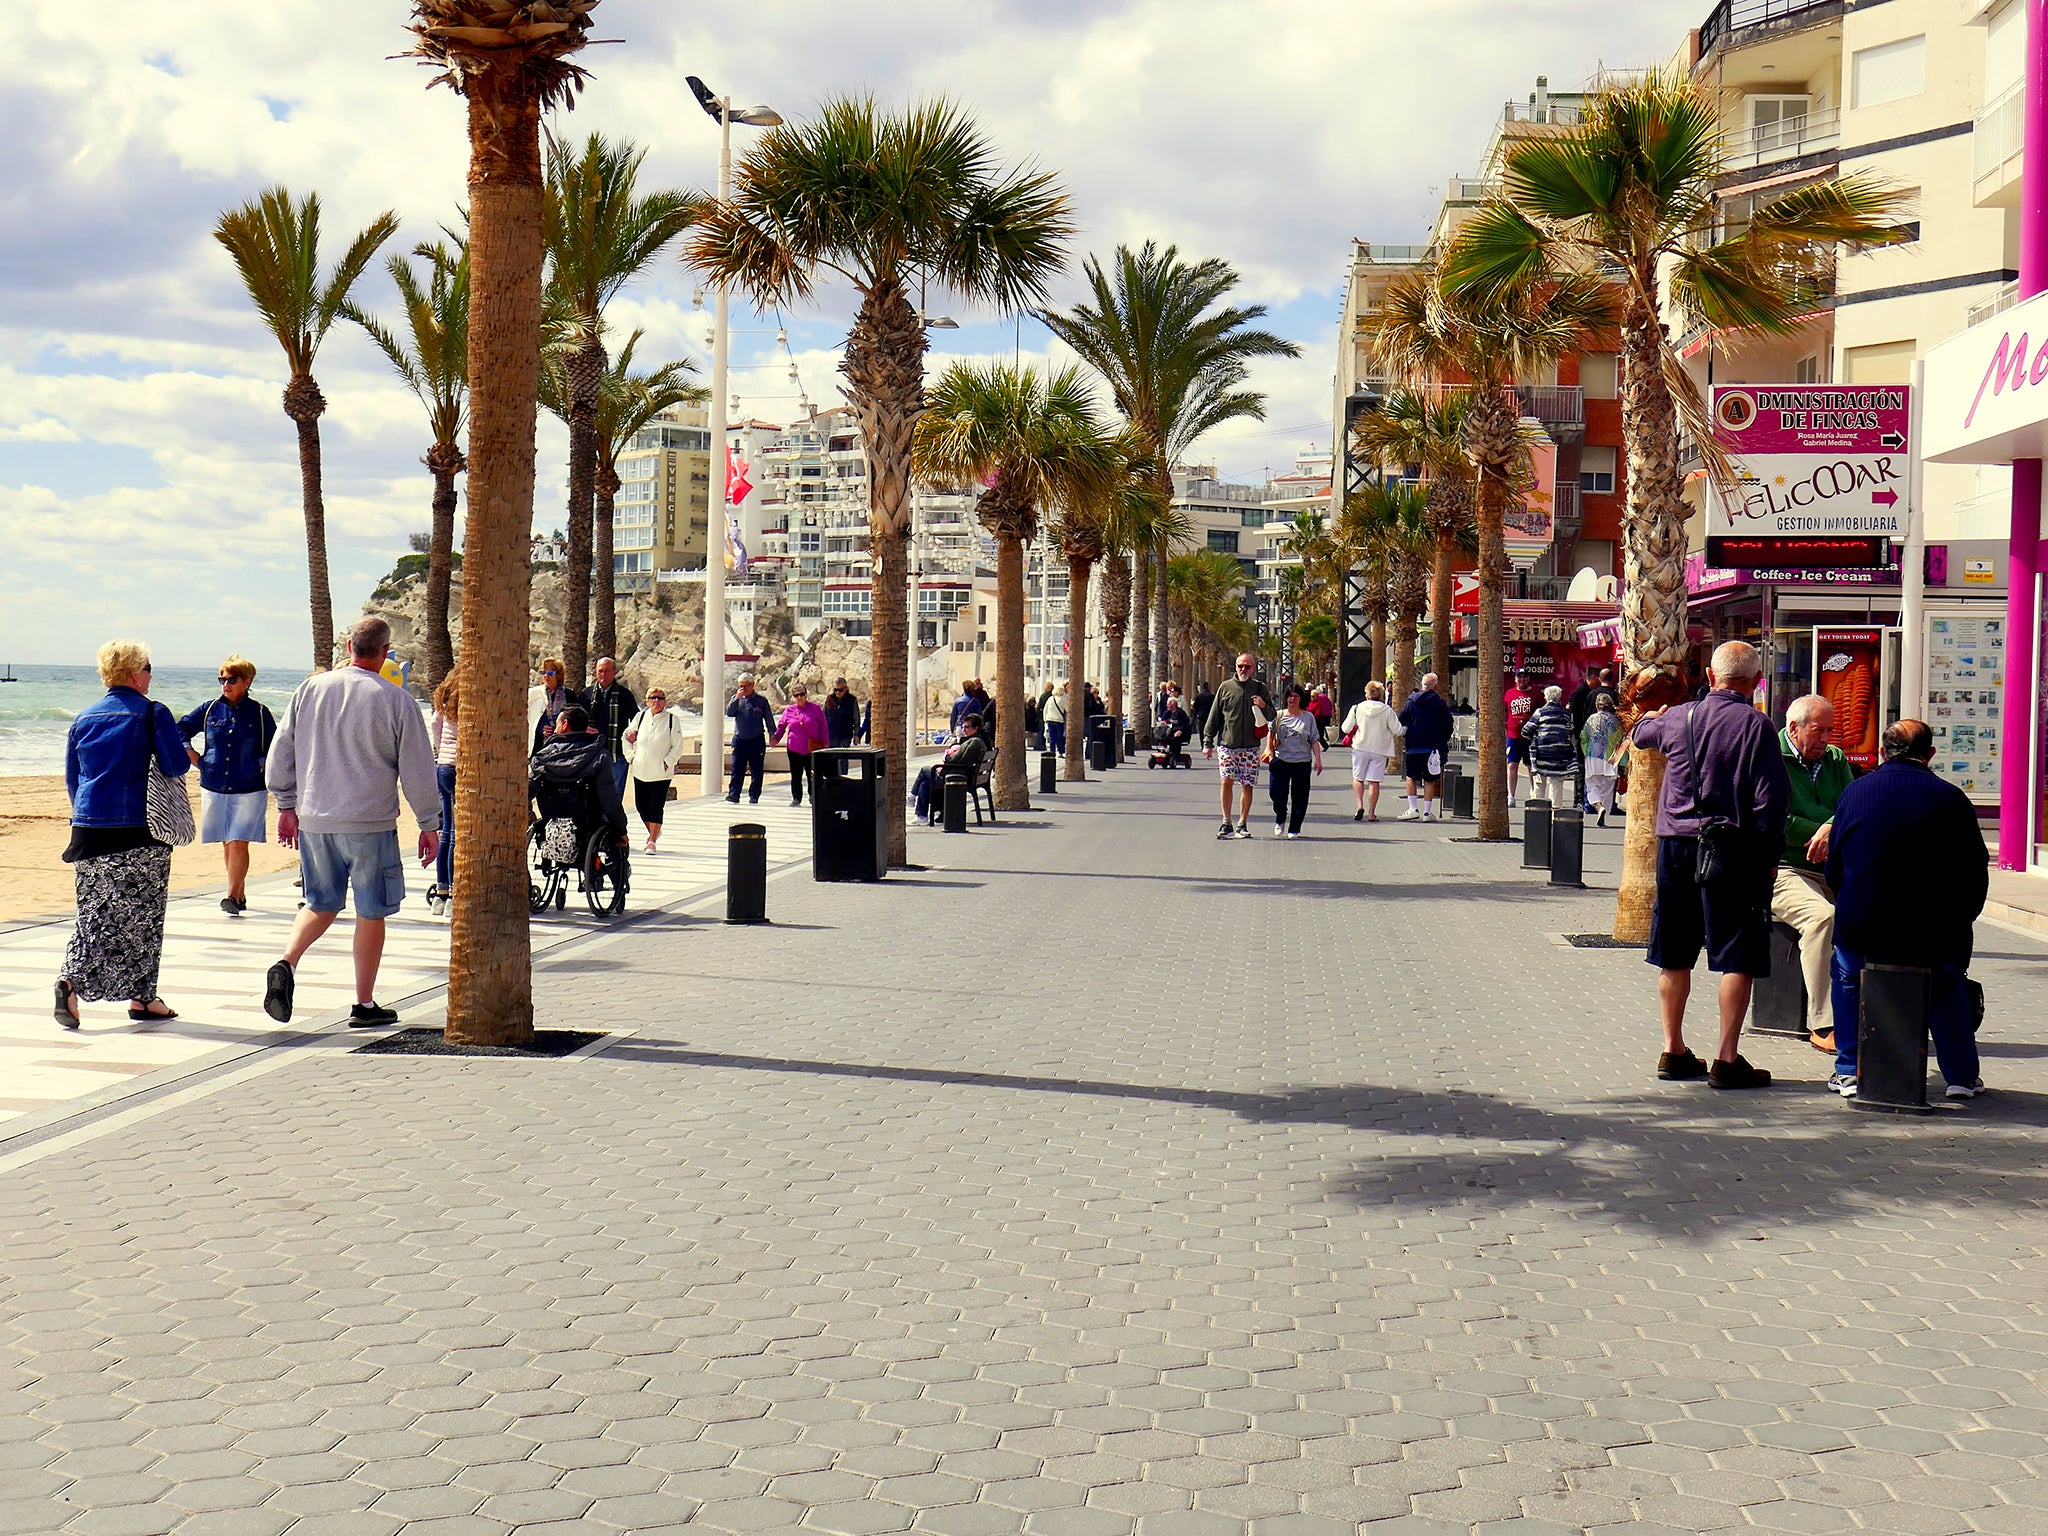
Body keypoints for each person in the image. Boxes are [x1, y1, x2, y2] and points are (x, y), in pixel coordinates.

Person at [262, 617, 441, 1029]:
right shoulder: (397, 700)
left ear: (347, 645)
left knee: (319, 902)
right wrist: (429, 822)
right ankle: (363, 1003)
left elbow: (281, 751)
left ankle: (286, 961)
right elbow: (417, 768)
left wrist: (286, 804)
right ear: (385, 652)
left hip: (316, 819)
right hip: (369, 822)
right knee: (371, 911)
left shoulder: (310, 689)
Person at [1633, 639, 1789, 1090]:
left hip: (1676, 847)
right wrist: (1769, 856)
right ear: (1756, 682)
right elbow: (1770, 800)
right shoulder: (1757, 725)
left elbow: (1641, 736)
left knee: (1674, 950)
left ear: (1709, 677)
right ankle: (1726, 1058)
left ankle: (1673, 1049)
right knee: (1737, 952)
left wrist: (1654, 716)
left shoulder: (1680, 717)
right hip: (1731, 849)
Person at [1824, 720, 1987, 1100]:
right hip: (1934, 929)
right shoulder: (1951, 798)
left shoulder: (1855, 793)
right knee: (1946, 982)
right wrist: (1964, 918)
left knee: (1847, 976)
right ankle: (1961, 1076)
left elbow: (1835, 864)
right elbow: (1974, 868)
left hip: (1864, 925)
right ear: (1929, 754)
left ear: (1883, 752)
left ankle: (1849, 1069)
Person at [53, 639, 191, 1029]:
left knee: (95, 911)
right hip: (139, 829)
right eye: (148, 667)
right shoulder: (152, 713)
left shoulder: (84, 718)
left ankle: (143, 997)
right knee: (142, 915)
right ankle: (71, 980)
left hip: (87, 828)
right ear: (135, 673)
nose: (150, 675)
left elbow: (73, 779)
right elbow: (177, 764)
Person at [1772, 695, 1854, 1054]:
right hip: (1784, 868)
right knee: (1822, 918)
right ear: (1794, 728)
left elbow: (1853, 805)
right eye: (1818, 731)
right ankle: (1823, 1022)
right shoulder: (1769, 756)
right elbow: (1773, 818)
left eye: (1830, 731)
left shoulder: (1835, 759)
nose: (1825, 739)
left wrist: (1832, 828)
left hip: (1832, 867)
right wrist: (1818, 831)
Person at [178, 654, 277, 916]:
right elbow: (180, 729)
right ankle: (239, 894)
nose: (225, 684)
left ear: (247, 681)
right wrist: (192, 755)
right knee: (226, 841)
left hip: (249, 786)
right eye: (222, 679)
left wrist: (262, 764)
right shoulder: (209, 709)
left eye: (231, 679)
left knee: (238, 842)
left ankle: (231, 895)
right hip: (214, 784)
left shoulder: (259, 712)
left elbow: (274, 746)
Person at [531, 705, 631, 851]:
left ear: (565, 725)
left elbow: (529, 789)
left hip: (551, 818)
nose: (554, 728)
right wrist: (621, 829)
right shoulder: (600, 756)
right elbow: (608, 797)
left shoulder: (542, 757)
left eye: (557, 724)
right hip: (588, 822)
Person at [1200, 654, 1273, 840]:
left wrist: (1263, 705)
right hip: (1227, 745)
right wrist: (1207, 742)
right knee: (1226, 781)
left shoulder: (1260, 688)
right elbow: (1214, 716)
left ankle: (1242, 823)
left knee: (1247, 785)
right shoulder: (1226, 687)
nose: (1243, 670)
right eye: (1240, 666)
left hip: (1250, 747)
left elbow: (1272, 715)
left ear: (1253, 668)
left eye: (1247, 666)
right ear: (1236, 667)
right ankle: (1226, 822)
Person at [624, 685, 688, 853]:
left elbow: (678, 746)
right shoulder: (641, 716)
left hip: (661, 773)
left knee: (655, 807)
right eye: (653, 698)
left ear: (665, 701)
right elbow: (627, 737)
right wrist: (631, 757)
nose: (656, 701)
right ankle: (654, 830)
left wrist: (668, 761)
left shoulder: (672, 720)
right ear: (647, 700)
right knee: (641, 806)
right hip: (640, 770)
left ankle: (651, 840)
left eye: (660, 698)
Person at [1265, 684, 1323, 838]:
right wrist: (1270, 753)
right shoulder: (1279, 716)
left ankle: (1294, 828)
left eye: (1296, 696)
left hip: (1302, 762)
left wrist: (1318, 759)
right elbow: (1270, 735)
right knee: (1277, 793)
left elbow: (1314, 740)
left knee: (1300, 796)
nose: (1292, 699)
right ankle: (1280, 817)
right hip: (1281, 760)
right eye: (1290, 696)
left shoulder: (1308, 717)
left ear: (1300, 698)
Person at [1341, 680, 1402, 822]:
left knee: (1358, 778)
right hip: (1380, 749)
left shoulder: (1357, 708)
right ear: (1381, 695)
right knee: (1374, 782)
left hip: (1360, 747)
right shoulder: (1387, 710)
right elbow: (1398, 730)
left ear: (1367, 694)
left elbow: (1345, 728)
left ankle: (1359, 805)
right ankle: (1372, 813)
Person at [1397, 674, 1454, 822]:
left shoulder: (1411, 701)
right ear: (1435, 686)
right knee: (1430, 779)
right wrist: (1444, 738)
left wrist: (1408, 733)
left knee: (1411, 777)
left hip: (1413, 746)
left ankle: (1412, 808)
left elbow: (1401, 719)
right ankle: (1427, 812)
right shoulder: (1439, 703)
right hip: (1433, 748)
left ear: (1422, 685)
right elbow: (1448, 724)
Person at [912, 712, 988, 823]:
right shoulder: (977, 741)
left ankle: (912, 797)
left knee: (924, 770)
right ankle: (921, 816)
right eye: (963, 727)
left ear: (976, 728)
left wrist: (946, 756)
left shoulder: (973, 742)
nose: (964, 730)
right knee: (925, 784)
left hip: (956, 776)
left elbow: (953, 759)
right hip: (962, 774)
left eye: (967, 727)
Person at [583, 656, 638, 801]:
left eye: (607, 671)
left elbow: (637, 719)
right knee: (591, 797)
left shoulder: (625, 695)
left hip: (617, 755)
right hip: (591, 754)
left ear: (614, 672)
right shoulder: (586, 695)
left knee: (614, 797)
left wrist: (634, 731)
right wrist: (584, 728)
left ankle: (613, 824)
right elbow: (574, 720)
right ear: (595, 672)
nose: (603, 674)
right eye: (600, 671)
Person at [427, 672, 460, 912]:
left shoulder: (446, 697)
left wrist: (441, 750)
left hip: (444, 767)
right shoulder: (467, 697)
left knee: (447, 831)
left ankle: (441, 892)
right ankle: (451, 898)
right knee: (457, 833)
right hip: (461, 767)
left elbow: (434, 723)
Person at [773, 684, 830, 806]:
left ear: (806, 694)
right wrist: (776, 738)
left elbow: (823, 727)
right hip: (794, 748)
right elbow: (782, 726)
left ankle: (813, 796)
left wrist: (825, 744)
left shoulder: (815, 709)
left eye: (802, 694)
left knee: (812, 774)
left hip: (812, 749)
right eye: (796, 695)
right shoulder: (789, 710)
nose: (800, 697)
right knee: (796, 774)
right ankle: (796, 797)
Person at [1523, 684, 1579, 808]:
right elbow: (1570, 730)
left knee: (1539, 782)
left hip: (1541, 752)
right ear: (1559, 697)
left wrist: (1534, 737)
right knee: (1557, 782)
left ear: (1546, 698)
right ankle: (1555, 810)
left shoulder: (1540, 712)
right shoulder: (1565, 714)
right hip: (1560, 754)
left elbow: (1526, 730)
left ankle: (1538, 809)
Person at [725, 675, 775, 804]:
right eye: (740, 685)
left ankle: (754, 796)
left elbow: (768, 718)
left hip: (756, 740)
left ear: (752, 685)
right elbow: (729, 713)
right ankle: (734, 794)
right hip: (739, 740)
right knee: (737, 769)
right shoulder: (736, 699)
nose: (742, 688)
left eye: (745, 686)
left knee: (756, 771)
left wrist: (772, 734)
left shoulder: (761, 700)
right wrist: (737, 698)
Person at [1581, 692, 1624, 828]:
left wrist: (1585, 752)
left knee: (1592, 785)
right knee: (1607, 788)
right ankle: (1603, 811)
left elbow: (1584, 737)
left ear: (1597, 706)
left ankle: (1599, 807)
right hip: (1610, 757)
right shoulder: (1615, 721)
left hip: (1593, 755)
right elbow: (1620, 739)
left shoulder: (1591, 719)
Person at [1503, 671, 1536, 807]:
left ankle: (1535, 793)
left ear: (1528, 679)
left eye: (1524, 677)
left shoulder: (1536, 694)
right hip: (1513, 736)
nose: (1522, 680)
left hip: (1530, 737)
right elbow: (1504, 712)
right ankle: (1511, 795)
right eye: (1519, 677)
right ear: (1515, 679)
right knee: (1512, 765)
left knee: (1531, 766)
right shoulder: (1509, 694)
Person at [531, 658, 576, 753]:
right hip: (538, 747)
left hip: (562, 747)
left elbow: (573, 721)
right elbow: (531, 719)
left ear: (558, 675)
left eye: (550, 673)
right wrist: (541, 728)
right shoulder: (535, 694)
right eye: (544, 673)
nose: (546, 676)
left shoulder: (569, 695)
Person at [1570, 665, 1616, 739]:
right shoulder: (1580, 693)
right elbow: (1575, 715)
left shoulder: (1590, 694)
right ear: (1595, 677)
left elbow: (1585, 714)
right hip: (1584, 735)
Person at [1155, 694, 1193, 767]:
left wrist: (1180, 731)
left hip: (1179, 732)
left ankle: (1175, 755)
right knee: (1161, 736)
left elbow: (1185, 724)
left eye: (1169, 704)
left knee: (1174, 739)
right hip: (1168, 731)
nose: (1167, 706)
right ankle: (1163, 751)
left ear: (1174, 705)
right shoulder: (1167, 713)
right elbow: (1163, 721)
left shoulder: (1180, 713)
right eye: (1167, 704)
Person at [823, 678, 862, 749]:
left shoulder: (852, 700)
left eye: (840, 690)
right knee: (832, 758)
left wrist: (856, 734)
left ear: (846, 688)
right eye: (836, 690)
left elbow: (856, 718)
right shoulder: (829, 699)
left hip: (845, 735)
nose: (838, 692)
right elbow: (823, 717)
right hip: (831, 735)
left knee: (843, 758)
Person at [1042, 682, 1069, 758]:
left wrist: (1045, 719)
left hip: (1050, 719)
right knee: (1060, 737)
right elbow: (1067, 709)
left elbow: (1045, 709)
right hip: (1059, 720)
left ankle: (1052, 751)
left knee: (1052, 737)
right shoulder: (1063, 699)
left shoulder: (1050, 698)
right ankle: (1060, 752)